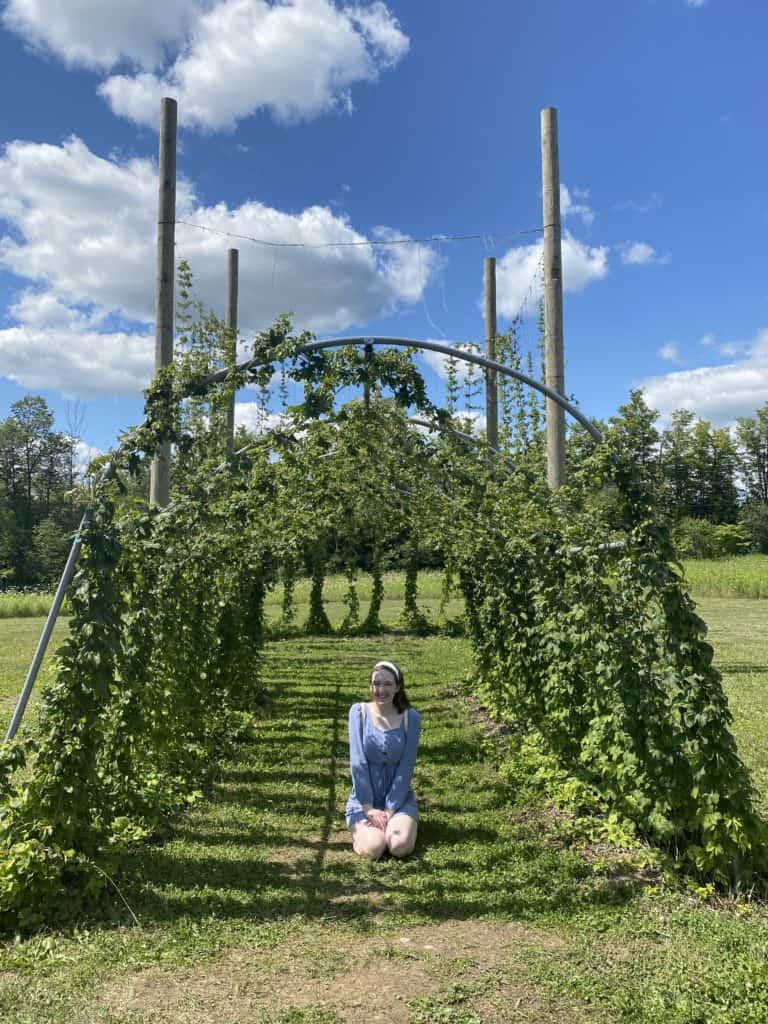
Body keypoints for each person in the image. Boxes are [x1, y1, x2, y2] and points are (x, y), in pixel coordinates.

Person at [346, 659, 421, 860]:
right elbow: (358, 762)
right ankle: (366, 833)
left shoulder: (411, 718)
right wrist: (368, 808)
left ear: (398, 687)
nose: (381, 690)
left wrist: (389, 809)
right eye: (376, 684)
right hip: (364, 801)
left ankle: (398, 824)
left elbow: (406, 766)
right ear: (370, 686)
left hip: (399, 799)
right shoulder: (358, 712)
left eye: (388, 684)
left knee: (399, 846)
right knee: (374, 848)